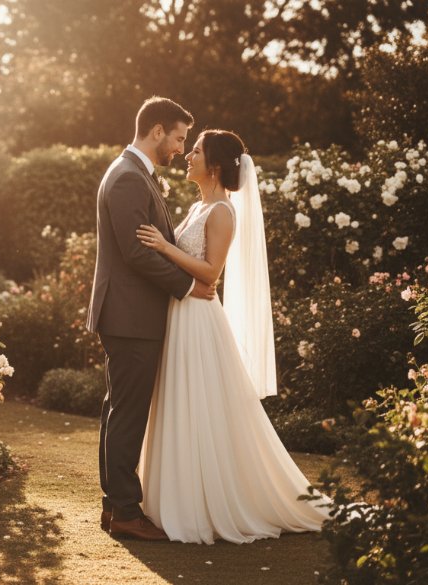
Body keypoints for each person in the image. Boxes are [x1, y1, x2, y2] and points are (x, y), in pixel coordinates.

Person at [135, 129, 330, 544]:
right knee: (180, 402)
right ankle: (175, 497)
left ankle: (204, 504)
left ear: (216, 166)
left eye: (198, 151)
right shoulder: (198, 206)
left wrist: (164, 249)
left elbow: (211, 273)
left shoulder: (222, 211)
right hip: (181, 314)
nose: (189, 154)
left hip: (199, 322)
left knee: (200, 407)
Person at [86, 97, 217, 541]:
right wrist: (188, 286)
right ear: (157, 130)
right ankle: (125, 510)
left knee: (118, 409)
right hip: (130, 316)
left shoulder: (134, 173)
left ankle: (114, 505)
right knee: (128, 413)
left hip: (128, 315)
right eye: (179, 138)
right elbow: (136, 252)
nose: (181, 148)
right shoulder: (127, 177)